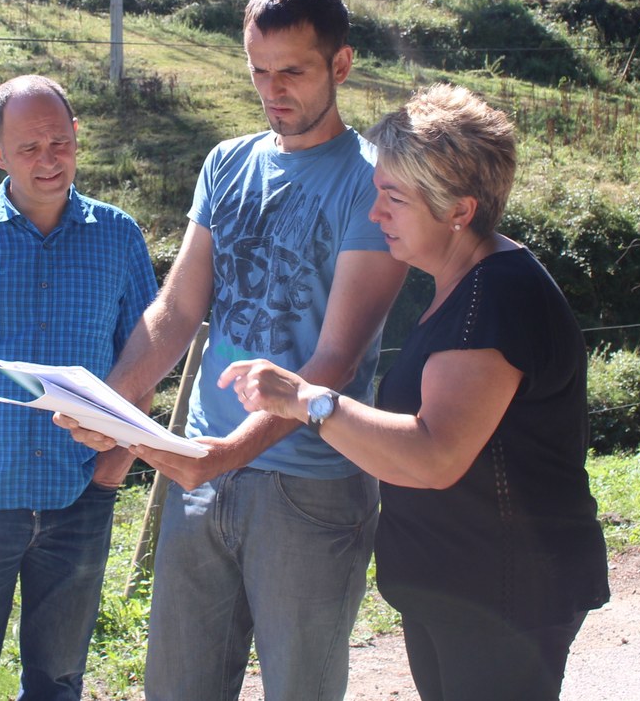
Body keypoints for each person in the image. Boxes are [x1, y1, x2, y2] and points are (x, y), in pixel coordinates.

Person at [62, 0, 410, 700]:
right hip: (198, 474)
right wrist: (113, 401)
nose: (271, 89)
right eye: (257, 69)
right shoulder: (227, 163)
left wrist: (223, 455)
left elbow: (334, 362)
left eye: (292, 71)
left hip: (310, 487)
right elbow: (177, 310)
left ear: (341, 66)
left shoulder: (375, 184)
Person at [220, 81, 611, 701]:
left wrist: (308, 400)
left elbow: (433, 456)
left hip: (503, 595)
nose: (376, 216)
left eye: (394, 200)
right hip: (464, 589)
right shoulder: (469, 284)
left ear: (460, 209)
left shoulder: (496, 300)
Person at [0, 74, 159, 701]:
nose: (48, 160)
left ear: (76, 137)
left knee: (58, 681)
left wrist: (113, 469)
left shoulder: (119, 237)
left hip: (80, 496)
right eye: (29, 148)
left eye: (59, 141)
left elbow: (144, 359)